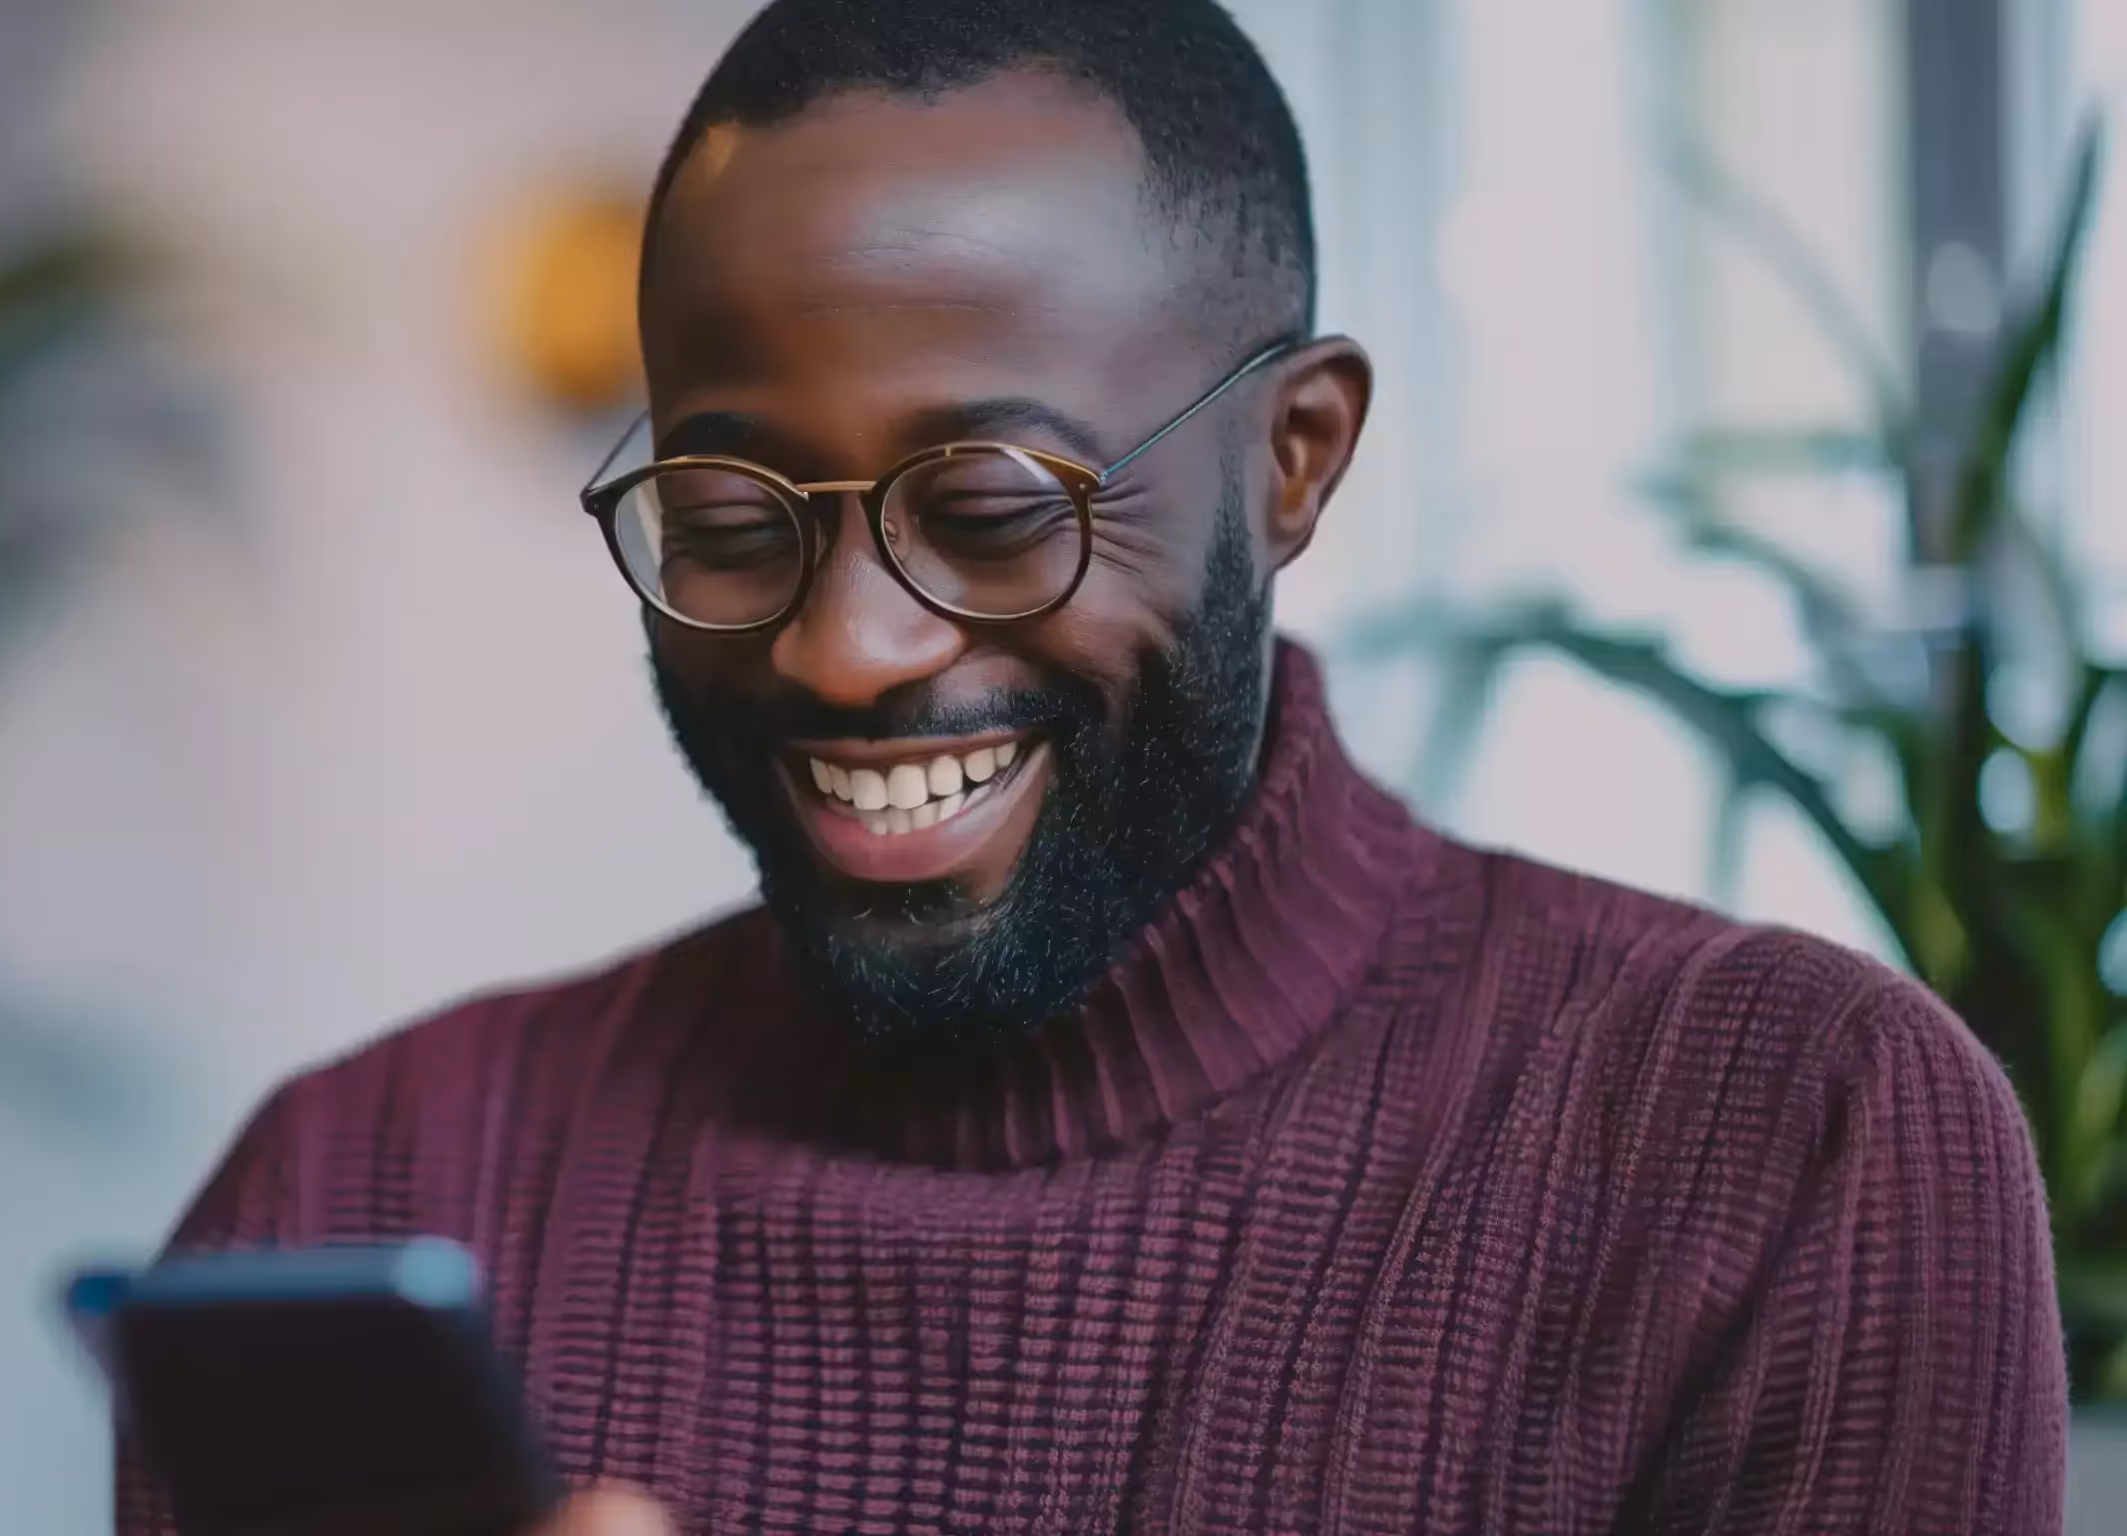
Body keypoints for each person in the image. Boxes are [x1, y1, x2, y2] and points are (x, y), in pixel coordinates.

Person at [120, 1, 2067, 1531]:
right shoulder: (361, 1188)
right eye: (726, 516)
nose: (843, 649)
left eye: (990, 509)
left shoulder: (1783, 1148)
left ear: (1293, 459)